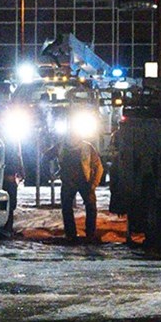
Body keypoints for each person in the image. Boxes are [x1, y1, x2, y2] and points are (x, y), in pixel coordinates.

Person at [59, 92, 104, 243]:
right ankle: (71, 233)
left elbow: (98, 167)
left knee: (90, 207)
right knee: (67, 208)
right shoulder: (63, 146)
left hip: (85, 181)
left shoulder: (87, 148)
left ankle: (89, 233)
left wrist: (93, 184)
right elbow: (47, 155)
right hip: (69, 182)